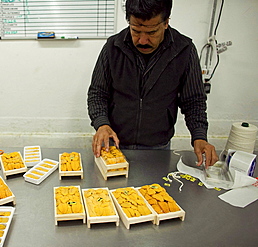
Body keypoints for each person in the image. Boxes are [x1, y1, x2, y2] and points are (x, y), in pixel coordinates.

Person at [87, 0, 218, 167]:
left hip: (158, 147)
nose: (142, 40)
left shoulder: (183, 50)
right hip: (115, 143)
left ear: (166, 23)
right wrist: (102, 124)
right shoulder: (113, 47)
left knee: (155, 191)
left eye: (151, 32)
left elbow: (193, 100)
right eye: (135, 30)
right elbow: (97, 93)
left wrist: (199, 136)